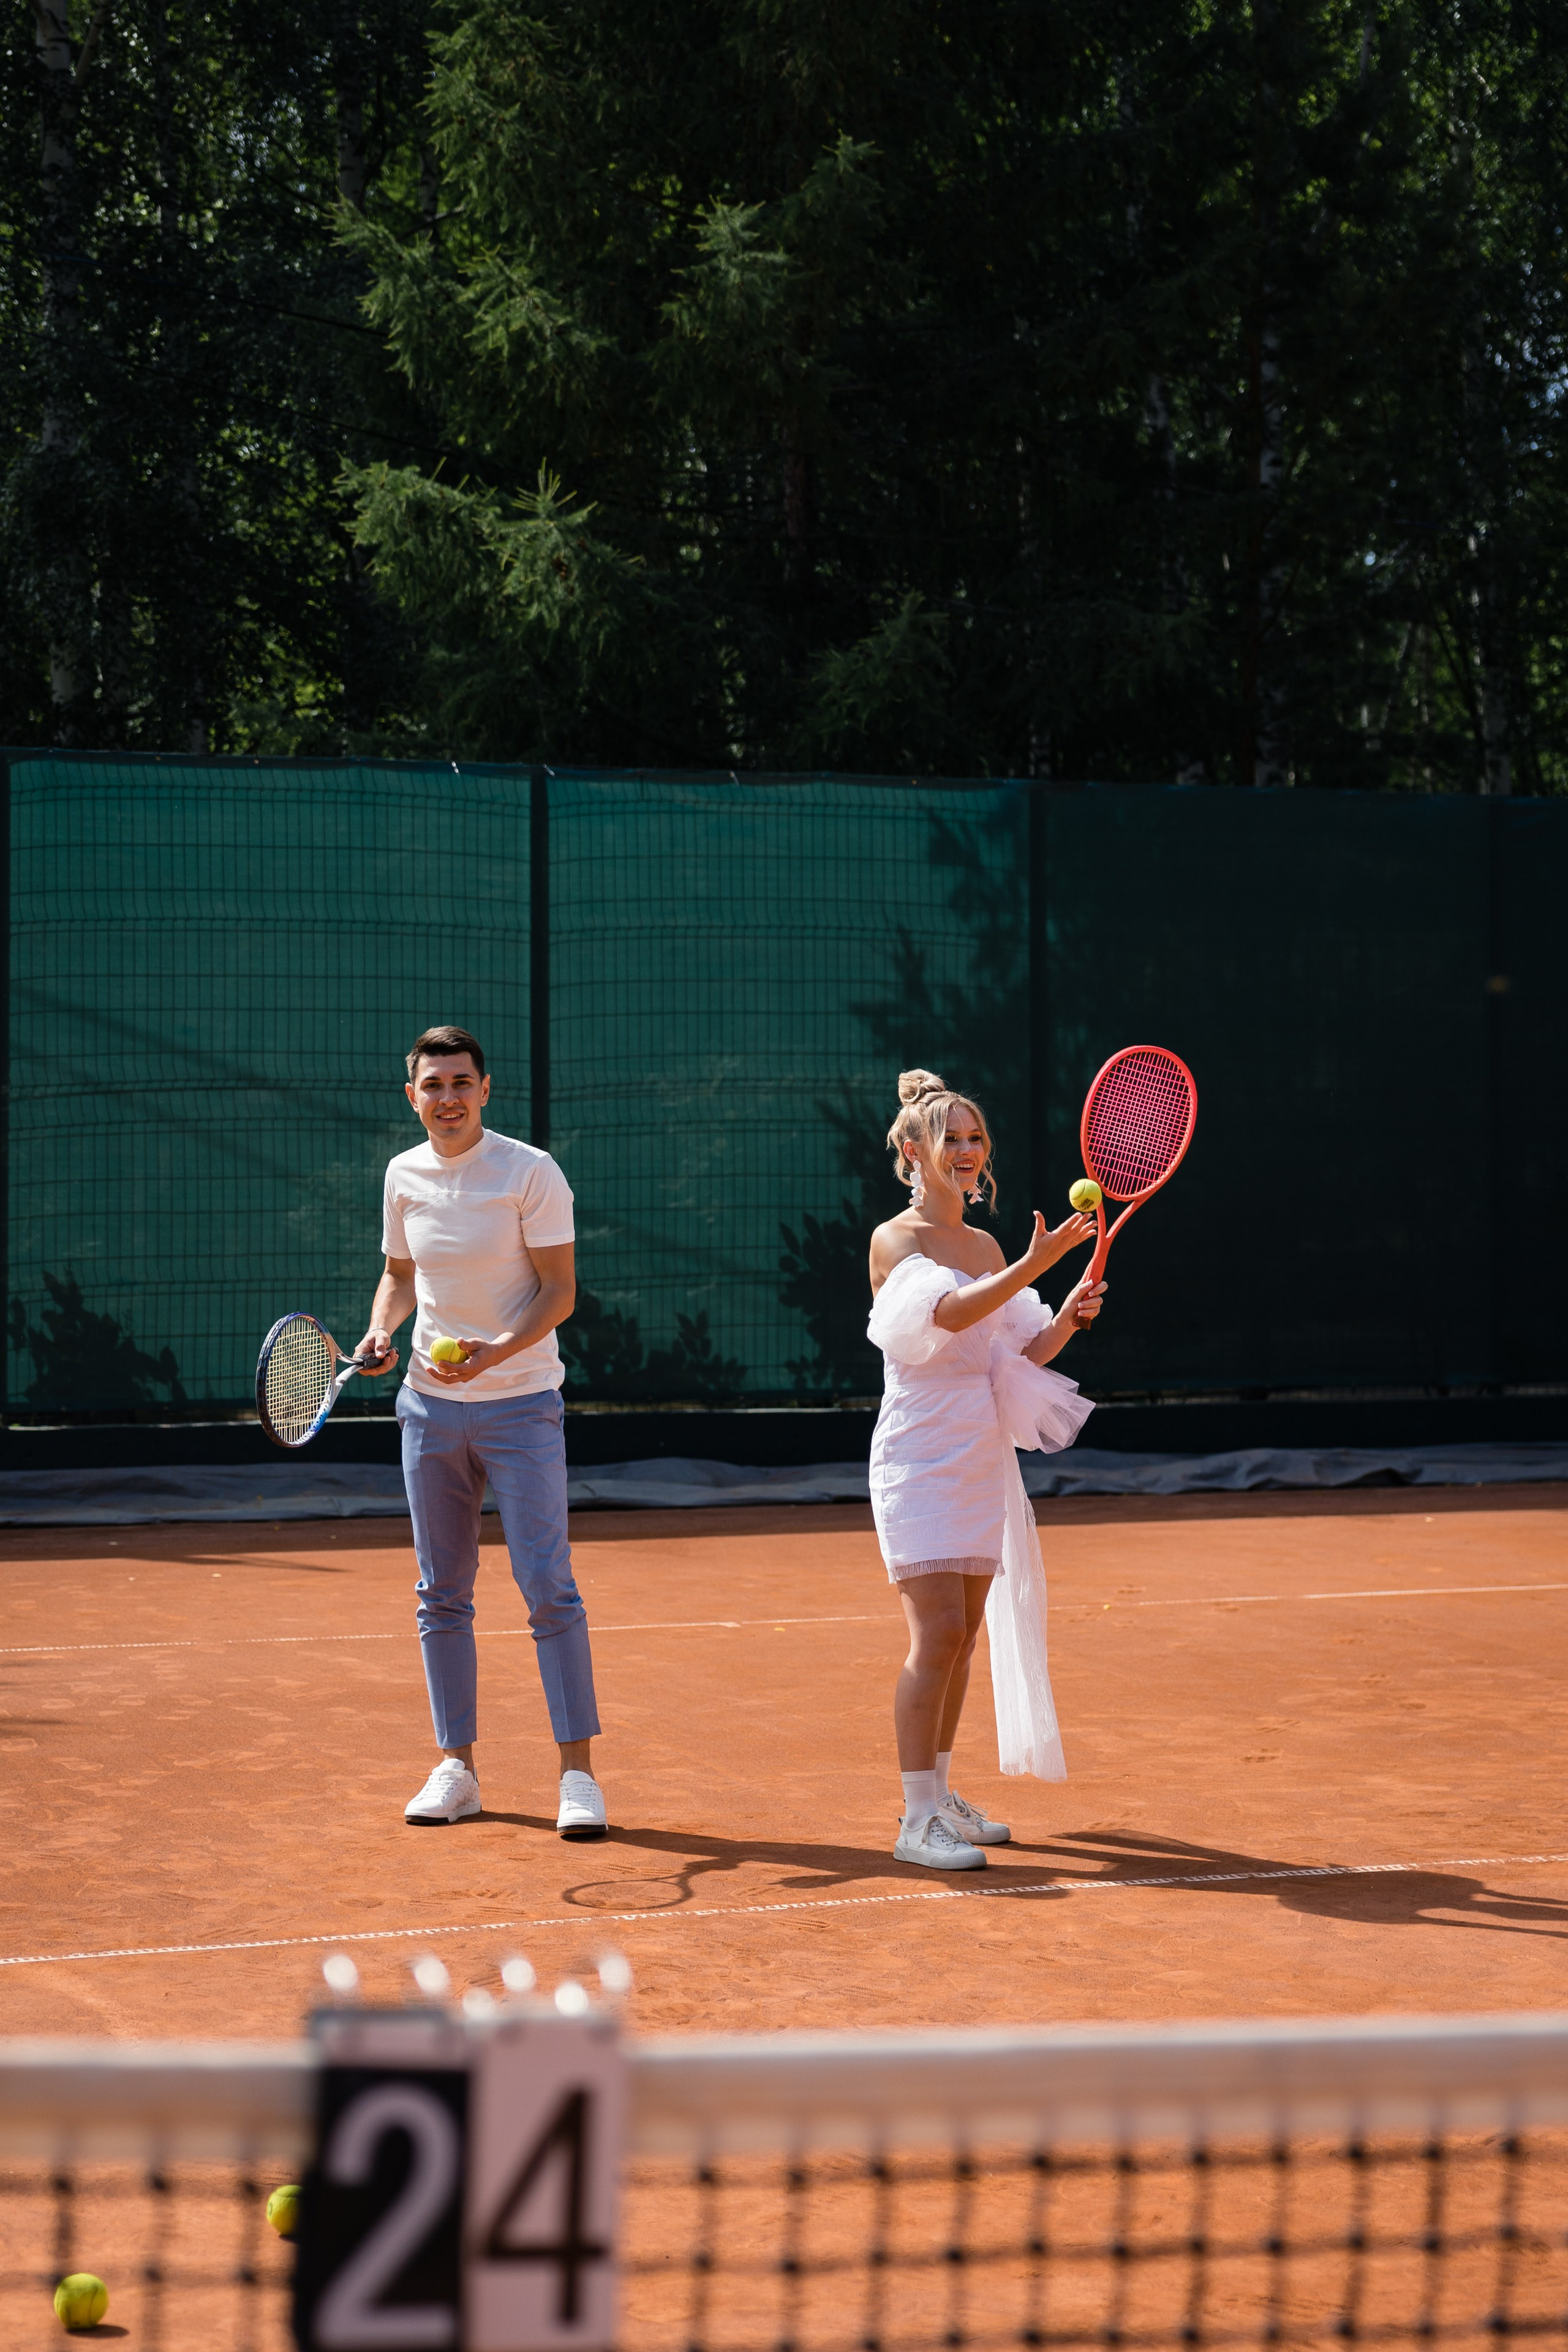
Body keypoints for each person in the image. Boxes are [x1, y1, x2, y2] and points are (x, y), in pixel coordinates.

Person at [356, 1024, 607, 1840]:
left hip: (523, 1406)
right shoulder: (402, 1176)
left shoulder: (530, 1173)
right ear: (413, 1096)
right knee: (440, 1594)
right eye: (433, 1086)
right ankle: (457, 1768)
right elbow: (400, 1277)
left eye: (461, 1083)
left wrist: (501, 1350)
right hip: (428, 1410)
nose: (448, 1098)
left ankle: (578, 1778)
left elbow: (560, 1291)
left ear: (486, 1089)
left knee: (549, 1589)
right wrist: (380, 1331)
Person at [867, 1068, 1105, 1872]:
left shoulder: (988, 1247)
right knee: (935, 1633)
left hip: (978, 1456)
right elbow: (948, 1315)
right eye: (949, 1140)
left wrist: (1068, 1309)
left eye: (975, 1140)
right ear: (911, 1151)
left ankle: (939, 1797)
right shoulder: (896, 1243)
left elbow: (1018, 1354)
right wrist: (1033, 1268)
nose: (966, 1153)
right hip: (917, 1457)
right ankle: (914, 1819)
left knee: (964, 1637)